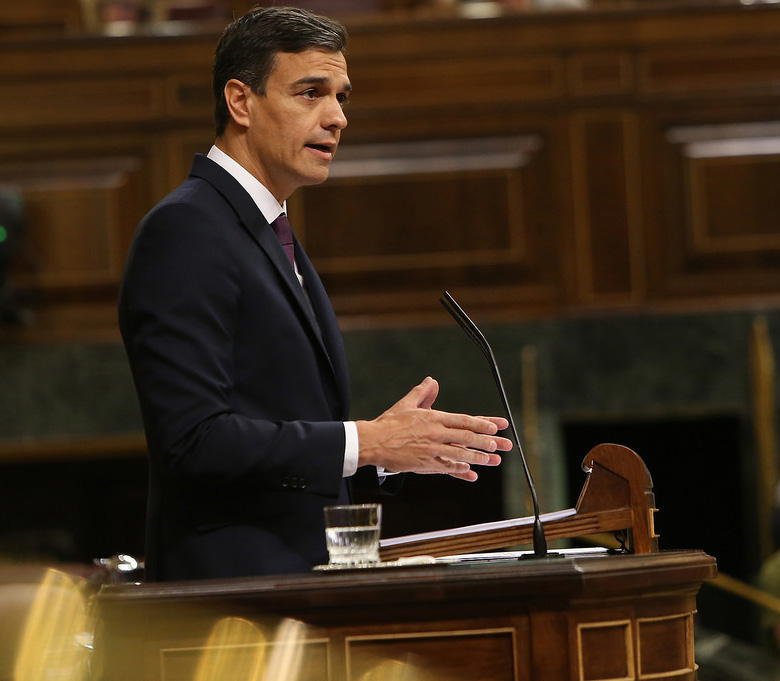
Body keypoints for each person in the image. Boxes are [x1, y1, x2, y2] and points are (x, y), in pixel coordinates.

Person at [118, 5, 512, 581]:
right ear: (240, 101)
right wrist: (364, 441)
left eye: (342, 97)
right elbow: (193, 442)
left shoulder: (264, 231)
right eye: (310, 93)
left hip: (290, 589)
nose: (336, 118)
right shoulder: (187, 230)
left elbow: (278, 439)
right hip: (228, 608)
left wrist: (380, 455)